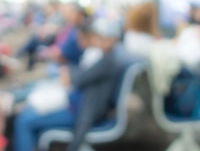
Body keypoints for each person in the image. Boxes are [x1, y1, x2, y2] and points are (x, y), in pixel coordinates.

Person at [13, 18, 127, 151]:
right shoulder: (104, 56)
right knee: (27, 112)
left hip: (77, 110)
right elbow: (81, 76)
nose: (97, 41)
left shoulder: (107, 61)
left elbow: (80, 79)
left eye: (102, 38)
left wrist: (75, 144)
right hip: (76, 105)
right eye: (98, 37)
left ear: (113, 39)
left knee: (25, 119)